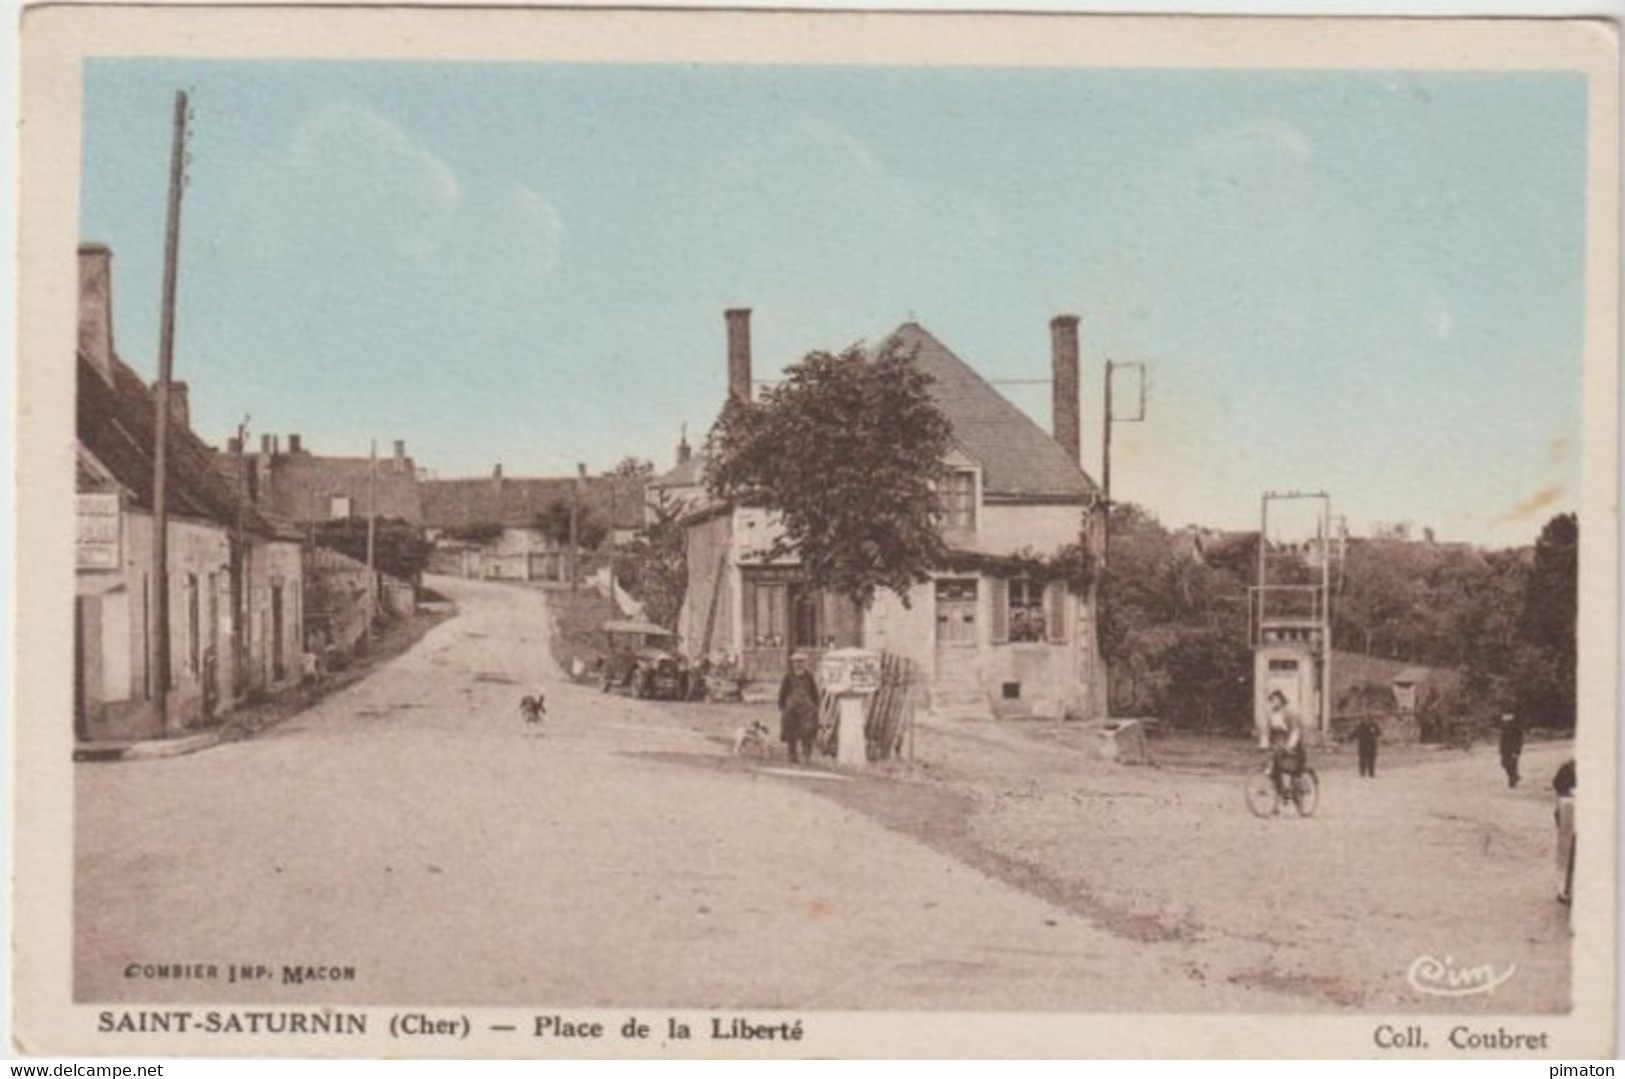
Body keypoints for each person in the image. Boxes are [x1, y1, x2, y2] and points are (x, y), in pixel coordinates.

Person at [778, 653, 820, 764]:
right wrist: (782, 706)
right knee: (791, 732)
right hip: (791, 709)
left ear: (805, 664)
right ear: (792, 664)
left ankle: (807, 755)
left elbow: (814, 693)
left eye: (801, 662)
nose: (798, 665)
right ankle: (792, 755)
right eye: (796, 662)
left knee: (807, 732)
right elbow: (783, 692)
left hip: (806, 710)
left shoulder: (809, 677)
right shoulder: (788, 677)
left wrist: (815, 706)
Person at [1264, 690, 1307, 798]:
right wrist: (1264, 742)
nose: (1273, 702)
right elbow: (1267, 731)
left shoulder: (1289, 712)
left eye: (1275, 699)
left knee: (1289, 768)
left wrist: (1290, 745)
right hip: (1278, 745)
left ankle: (1293, 787)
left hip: (1292, 745)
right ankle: (1278, 795)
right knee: (1273, 768)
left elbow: (1295, 730)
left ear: (1281, 700)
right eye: (1271, 700)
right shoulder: (1272, 714)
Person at [1553, 759, 1576, 905]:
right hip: (1572, 816)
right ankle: (1567, 890)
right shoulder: (1569, 767)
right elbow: (1558, 784)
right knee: (1571, 854)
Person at [1497, 712, 1525, 788]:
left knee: (1512, 764)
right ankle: (1515, 776)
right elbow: (1502, 740)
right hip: (1505, 749)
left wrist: (1517, 750)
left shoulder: (1516, 728)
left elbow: (1519, 739)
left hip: (1513, 748)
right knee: (1505, 764)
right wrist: (1501, 749)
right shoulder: (1504, 729)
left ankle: (1512, 780)